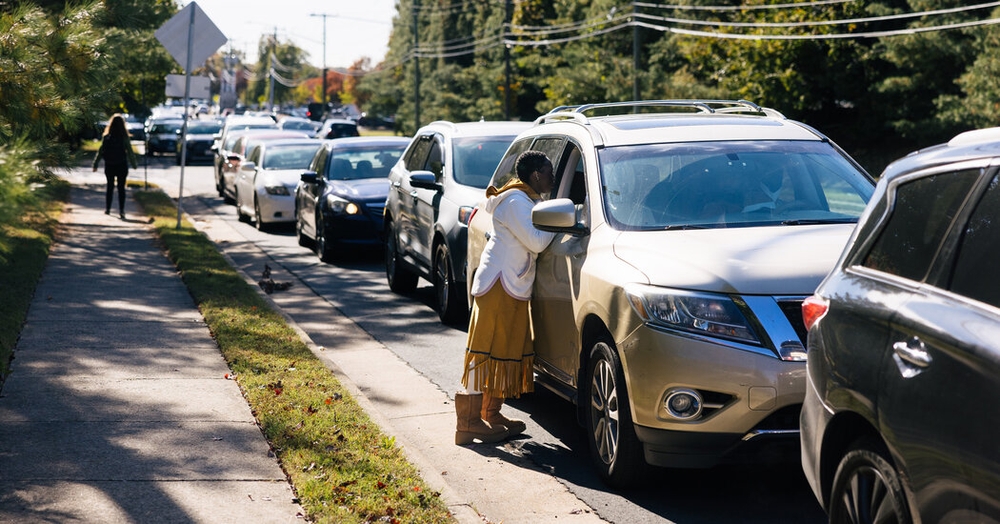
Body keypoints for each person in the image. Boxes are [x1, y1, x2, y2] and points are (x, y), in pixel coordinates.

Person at [455, 150, 556, 445]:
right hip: (499, 285)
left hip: (511, 284)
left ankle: (491, 412)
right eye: (549, 171)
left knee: (503, 350)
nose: (553, 177)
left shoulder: (525, 200)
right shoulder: (515, 201)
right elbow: (536, 242)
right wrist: (556, 220)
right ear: (536, 174)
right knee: (484, 352)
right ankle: (469, 423)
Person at [92, 114, 138, 219]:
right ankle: (121, 211)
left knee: (110, 187)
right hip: (121, 164)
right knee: (121, 188)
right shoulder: (124, 137)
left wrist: (95, 164)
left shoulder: (106, 137)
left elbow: (100, 151)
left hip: (109, 165)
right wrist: (134, 164)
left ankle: (108, 209)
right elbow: (130, 152)